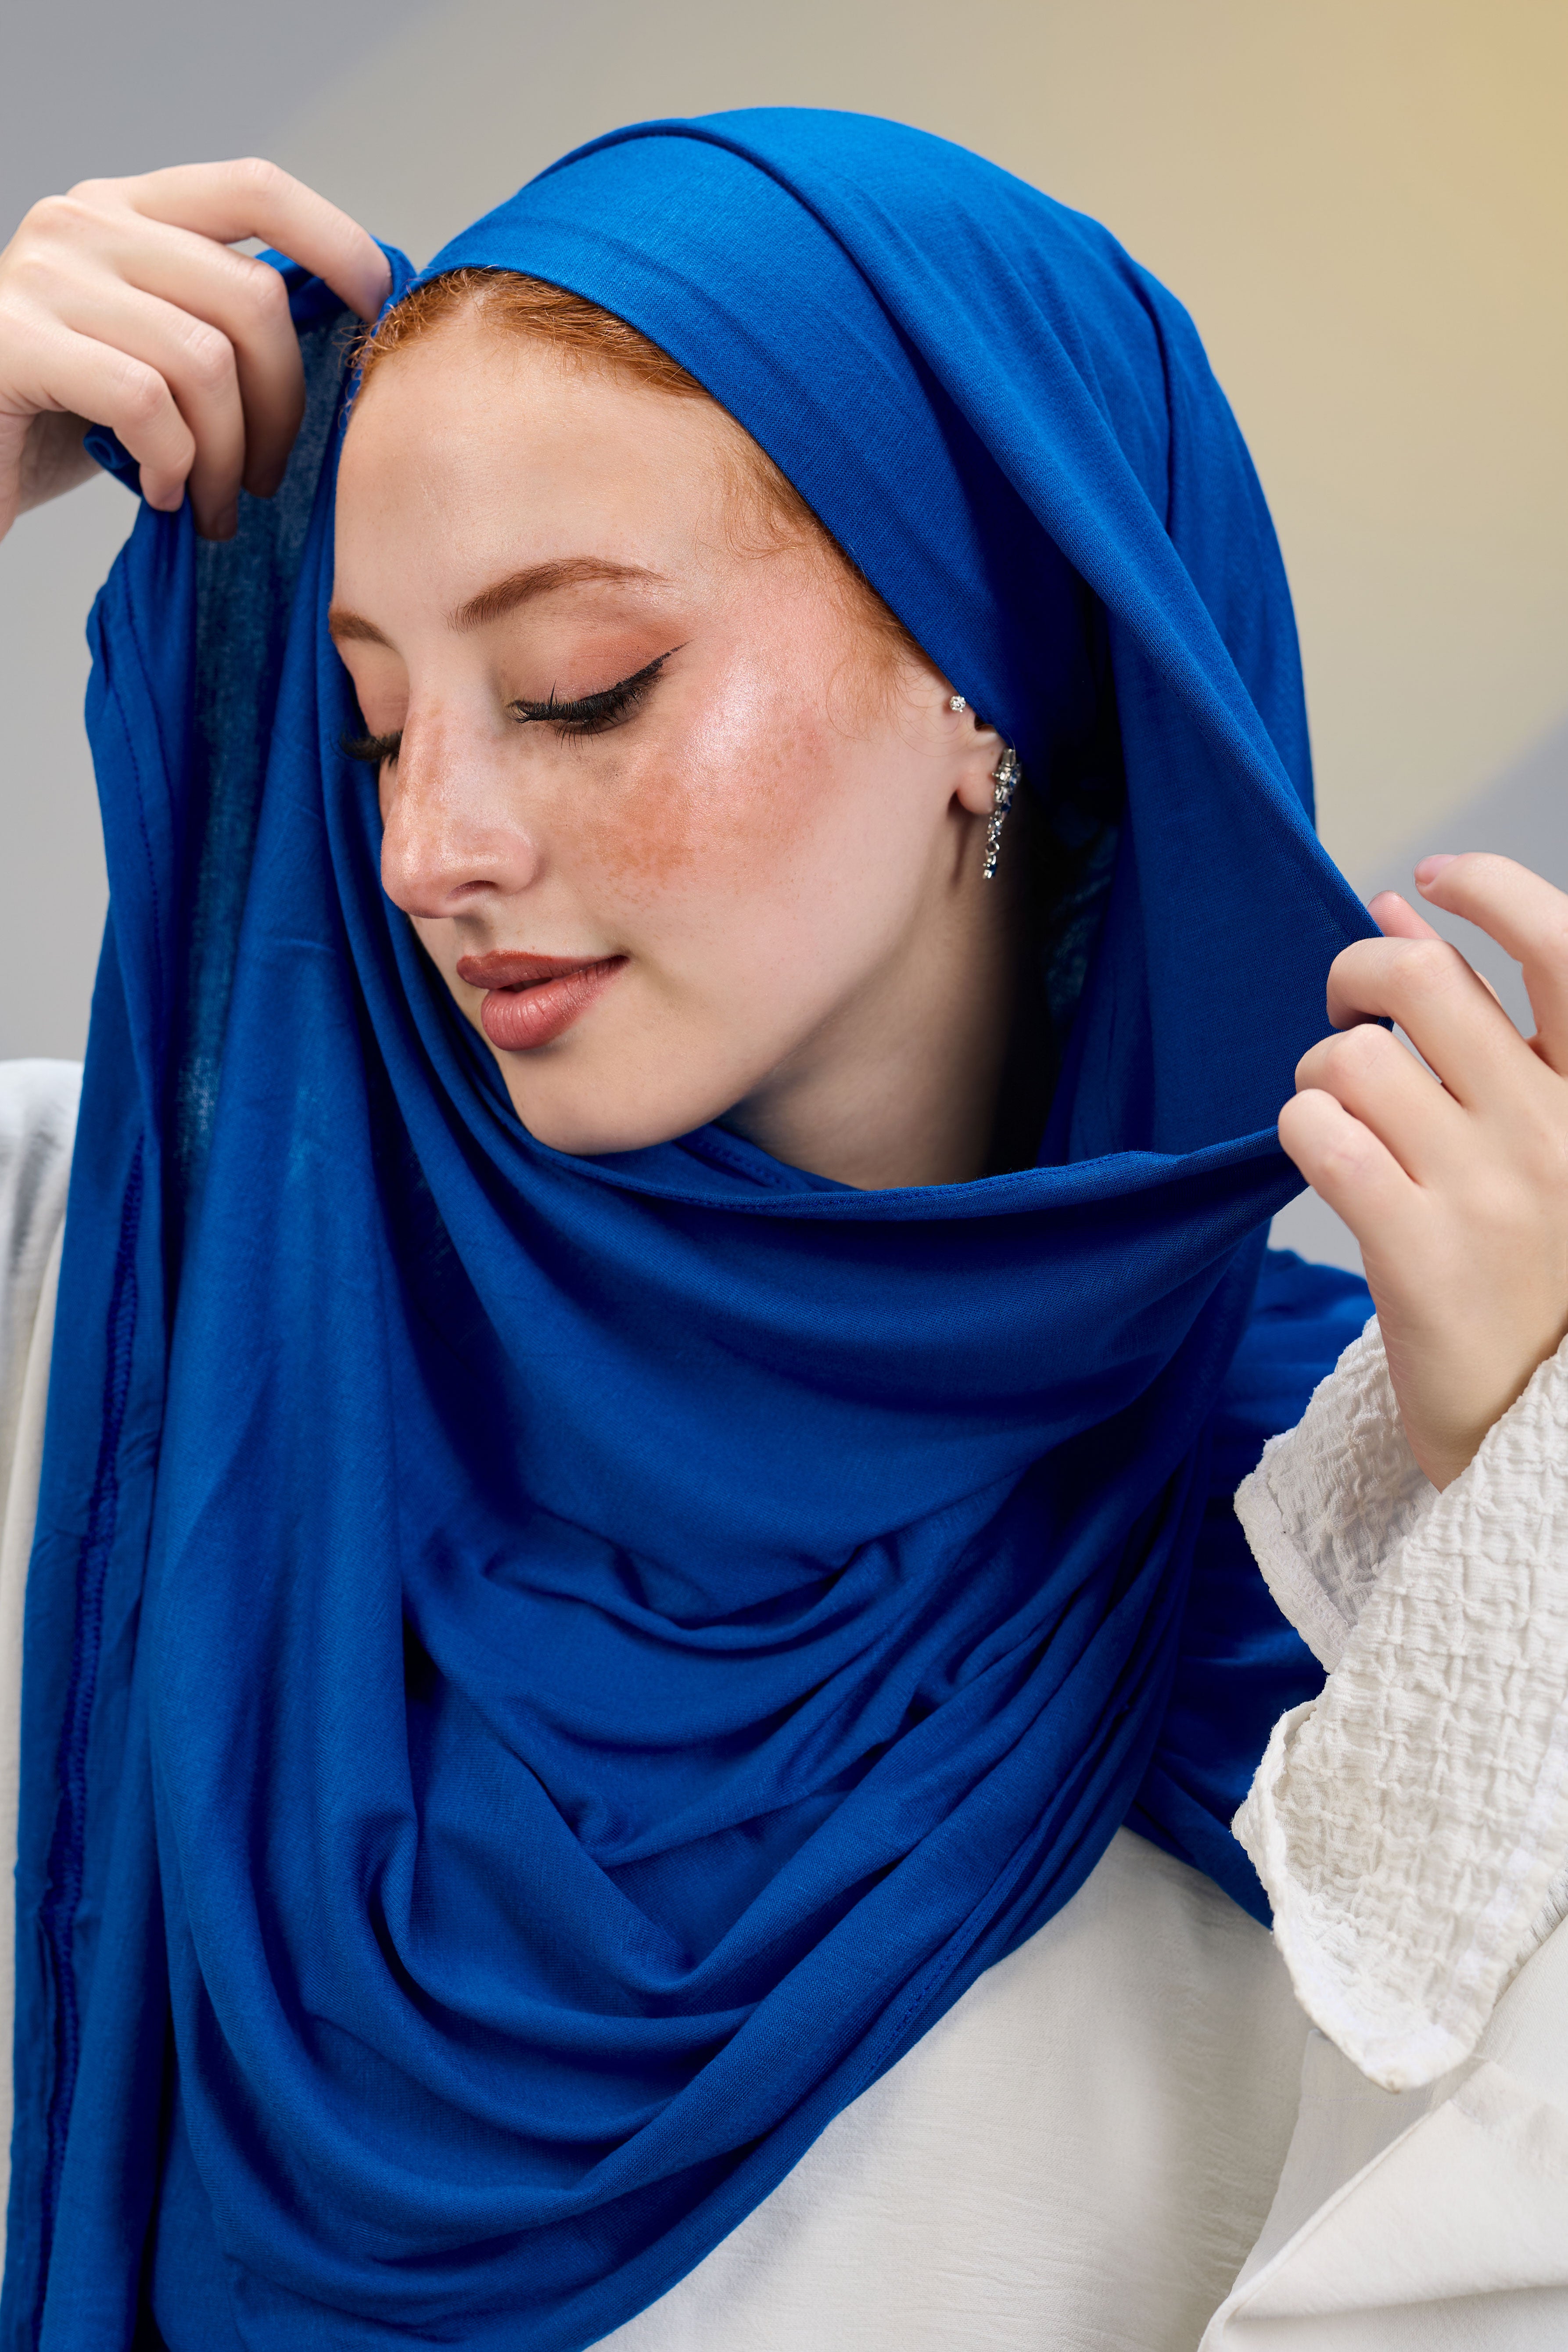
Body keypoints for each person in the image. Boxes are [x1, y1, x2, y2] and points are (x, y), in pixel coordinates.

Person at [0, 116, 1564, 2352]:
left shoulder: (1367, 1584)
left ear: (986, 681)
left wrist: (1539, 1505)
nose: (428, 843)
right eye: (368, 722)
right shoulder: (133, 1305)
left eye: (577, 688)